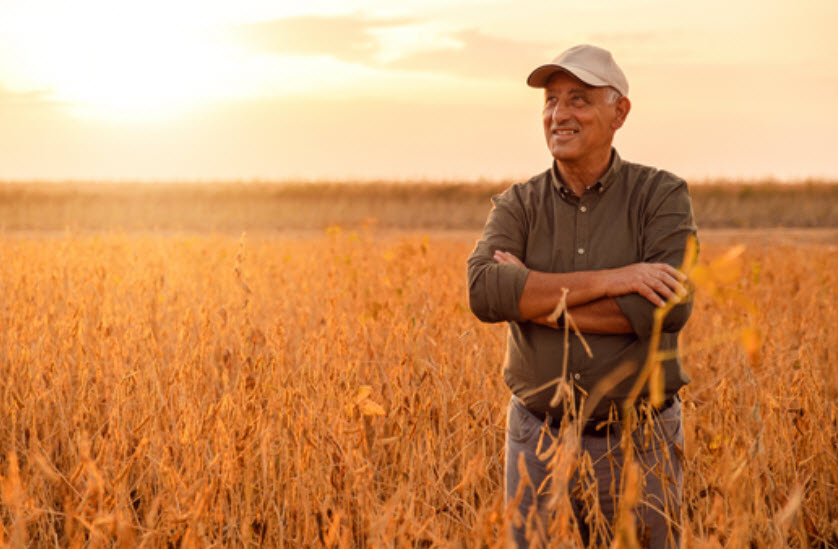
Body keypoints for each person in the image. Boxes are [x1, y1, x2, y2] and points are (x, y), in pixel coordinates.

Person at [467, 44, 697, 548]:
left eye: (578, 99)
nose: (559, 114)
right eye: (550, 100)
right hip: (537, 440)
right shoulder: (518, 203)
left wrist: (533, 299)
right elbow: (485, 291)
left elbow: (664, 310)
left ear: (620, 112)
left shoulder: (660, 195)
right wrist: (615, 278)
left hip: (640, 443)